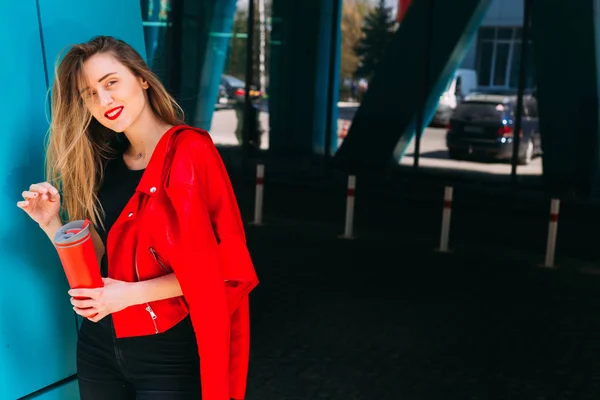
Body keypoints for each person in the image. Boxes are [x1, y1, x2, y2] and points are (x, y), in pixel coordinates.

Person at [16, 35, 259, 400]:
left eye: (111, 82)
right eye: (89, 94)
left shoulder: (191, 151)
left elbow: (223, 266)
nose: (104, 101)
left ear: (142, 78)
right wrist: (51, 222)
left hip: (167, 352)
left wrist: (129, 296)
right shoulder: (105, 163)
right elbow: (99, 259)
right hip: (99, 347)